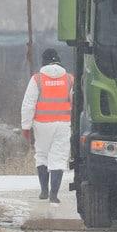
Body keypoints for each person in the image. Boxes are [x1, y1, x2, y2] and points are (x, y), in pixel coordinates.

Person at [21, 48, 73, 204]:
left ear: (43, 61)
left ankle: (44, 190)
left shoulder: (37, 79)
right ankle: (54, 194)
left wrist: (26, 126)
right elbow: (76, 102)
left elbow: (28, 104)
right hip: (63, 123)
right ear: (58, 60)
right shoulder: (69, 79)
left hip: (42, 124)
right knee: (58, 157)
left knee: (42, 155)